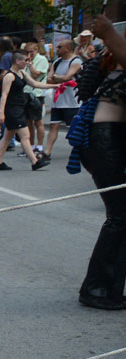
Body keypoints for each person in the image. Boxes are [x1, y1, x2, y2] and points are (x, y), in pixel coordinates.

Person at [75, 14, 126, 310]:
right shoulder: (118, 62)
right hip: (104, 142)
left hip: (109, 141)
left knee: (122, 218)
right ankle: (96, 289)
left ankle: (109, 288)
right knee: (120, 216)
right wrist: (107, 33)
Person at [0, 51, 57, 172]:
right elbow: (3, 95)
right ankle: (35, 161)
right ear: (18, 61)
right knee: (25, 136)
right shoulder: (9, 76)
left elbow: (35, 83)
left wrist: (55, 86)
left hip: (19, 108)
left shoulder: (22, 73)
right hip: (12, 110)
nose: (28, 62)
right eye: (26, 60)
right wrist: (1, 113)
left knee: (6, 138)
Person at [43, 39, 83, 161]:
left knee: (74, 128)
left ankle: (81, 151)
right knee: (53, 126)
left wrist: (56, 77)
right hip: (58, 100)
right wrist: (58, 78)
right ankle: (47, 152)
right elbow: (48, 79)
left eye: (59, 47)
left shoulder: (76, 61)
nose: (57, 49)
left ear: (67, 48)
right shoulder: (57, 62)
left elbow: (67, 77)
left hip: (72, 102)